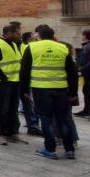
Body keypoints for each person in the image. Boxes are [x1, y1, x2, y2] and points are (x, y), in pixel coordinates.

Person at [21, 25, 79, 159]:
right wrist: (73, 92)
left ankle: (50, 149)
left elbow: (24, 71)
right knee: (63, 119)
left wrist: (23, 90)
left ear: (39, 36)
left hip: (41, 89)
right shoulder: (62, 48)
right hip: (61, 88)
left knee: (46, 119)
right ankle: (69, 149)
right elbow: (72, 72)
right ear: (53, 36)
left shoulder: (32, 47)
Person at [0, 24, 26, 144]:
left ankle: (12, 133)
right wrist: (4, 79)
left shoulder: (14, 44)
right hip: (1, 83)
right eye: (17, 33)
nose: (19, 35)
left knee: (13, 109)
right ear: (9, 33)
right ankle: (1, 134)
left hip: (15, 81)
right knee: (2, 109)